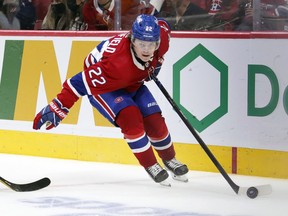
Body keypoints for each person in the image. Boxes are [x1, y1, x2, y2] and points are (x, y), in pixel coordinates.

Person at [33, 14, 189, 185]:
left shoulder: (162, 38)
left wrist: (156, 64)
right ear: (132, 40)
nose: (146, 50)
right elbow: (76, 84)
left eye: (151, 44)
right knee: (130, 116)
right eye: (141, 44)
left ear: (158, 42)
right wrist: (58, 107)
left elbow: (163, 23)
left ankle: (169, 159)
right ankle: (151, 164)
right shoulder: (115, 64)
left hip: (132, 83)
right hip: (105, 87)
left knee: (154, 120)